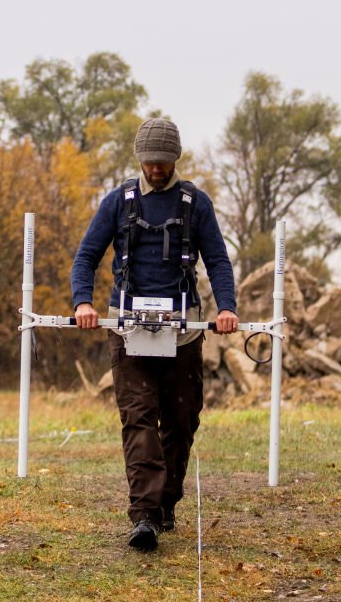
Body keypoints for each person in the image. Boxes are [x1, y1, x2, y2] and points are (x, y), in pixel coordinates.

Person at [71, 116, 238, 551]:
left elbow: (218, 261)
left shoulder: (195, 203)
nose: (157, 169)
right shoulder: (118, 201)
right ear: (140, 160)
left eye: (164, 161)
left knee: (181, 422)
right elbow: (86, 256)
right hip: (128, 331)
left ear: (175, 159)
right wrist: (82, 303)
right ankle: (143, 515)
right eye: (150, 161)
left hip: (183, 332)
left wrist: (227, 310)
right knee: (139, 416)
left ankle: (165, 504)